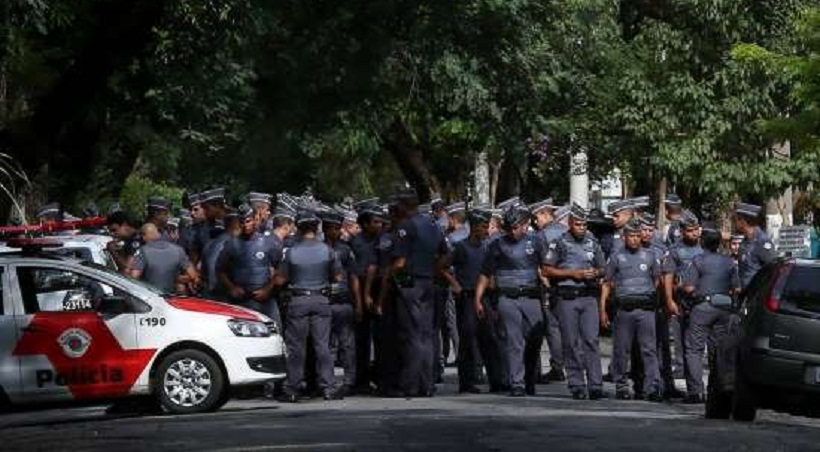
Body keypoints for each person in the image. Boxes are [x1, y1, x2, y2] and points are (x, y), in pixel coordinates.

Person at [475, 204, 547, 397]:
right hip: (507, 297)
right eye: (510, 228)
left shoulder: (536, 242)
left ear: (525, 225)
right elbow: (484, 273)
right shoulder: (496, 245)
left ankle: (530, 379)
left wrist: (546, 282)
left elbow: (545, 267)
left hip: (531, 297)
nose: (513, 231)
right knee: (514, 341)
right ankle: (517, 383)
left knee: (535, 338)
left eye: (517, 227)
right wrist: (478, 299)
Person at [275, 209, 344, 402]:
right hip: (321, 300)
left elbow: (280, 279)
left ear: (297, 228)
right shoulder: (327, 250)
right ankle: (328, 387)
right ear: (317, 227)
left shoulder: (291, 252)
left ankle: (292, 389)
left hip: (298, 300)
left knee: (297, 348)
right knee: (322, 346)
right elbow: (338, 277)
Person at [385, 188, 448, 397]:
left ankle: (411, 384)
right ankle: (427, 383)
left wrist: (387, 273)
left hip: (410, 285)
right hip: (428, 281)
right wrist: (433, 270)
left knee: (411, 335)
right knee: (426, 334)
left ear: (403, 205)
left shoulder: (406, 226)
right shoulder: (433, 225)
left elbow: (400, 262)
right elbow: (444, 256)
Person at [544, 204, 607, 400]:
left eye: (584, 224)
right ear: (570, 224)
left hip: (588, 296)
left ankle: (596, 384)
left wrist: (595, 273)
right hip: (567, 297)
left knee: (591, 340)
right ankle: (577, 384)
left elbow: (603, 267)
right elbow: (547, 269)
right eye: (578, 224)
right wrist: (573, 273)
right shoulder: (559, 243)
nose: (581, 227)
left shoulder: (592, 242)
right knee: (571, 342)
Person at [600, 219, 663, 401]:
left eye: (637, 236)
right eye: (631, 236)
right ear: (624, 237)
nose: (635, 239)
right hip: (624, 312)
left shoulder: (650, 256)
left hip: (645, 311)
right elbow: (606, 284)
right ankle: (621, 386)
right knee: (621, 350)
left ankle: (652, 388)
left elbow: (657, 281)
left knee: (649, 350)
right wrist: (602, 309)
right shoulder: (616, 257)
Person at [445, 208, 505, 393]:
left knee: (490, 340)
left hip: (486, 297)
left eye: (487, 226)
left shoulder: (488, 246)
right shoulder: (461, 247)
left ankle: (496, 380)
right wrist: (454, 283)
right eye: (483, 226)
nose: (486, 230)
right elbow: (441, 266)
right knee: (467, 340)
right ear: (473, 228)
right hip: (467, 297)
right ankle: (466, 382)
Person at [680, 222, 740, 404]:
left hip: (702, 308)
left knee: (694, 349)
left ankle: (696, 392)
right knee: (719, 351)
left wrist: (682, 289)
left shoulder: (698, 261)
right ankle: (718, 390)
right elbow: (737, 288)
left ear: (703, 242)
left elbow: (689, 288)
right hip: (724, 309)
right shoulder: (729, 261)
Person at [217, 204, 282, 323]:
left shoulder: (268, 243)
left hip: (265, 301)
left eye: (248, 221)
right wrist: (231, 288)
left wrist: (268, 289)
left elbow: (280, 270)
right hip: (241, 302)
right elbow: (220, 270)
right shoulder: (232, 244)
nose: (245, 225)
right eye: (242, 222)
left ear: (255, 220)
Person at [321, 209, 361, 396]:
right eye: (333, 228)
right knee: (327, 346)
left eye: (339, 228)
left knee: (347, 344)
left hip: (344, 302)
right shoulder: (319, 249)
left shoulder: (345, 249)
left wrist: (358, 302)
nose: (337, 232)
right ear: (325, 229)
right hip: (324, 302)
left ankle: (349, 381)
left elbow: (353, 277)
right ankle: (327, 382)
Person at [662, 209, 702, 389]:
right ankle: (683, 373)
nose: (694, 233)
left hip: (701, 303)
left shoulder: (704, 248)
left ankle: (695, 378)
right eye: (690, 230)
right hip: (680, 302)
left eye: (696, 229)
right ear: (683, 231)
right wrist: (669, 300)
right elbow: (668, 276)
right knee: (680, 341)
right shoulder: (675, 250)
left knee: (695, 343)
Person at [530, 198, 566, 383]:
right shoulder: (565, 231)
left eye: (537, 217)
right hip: (568, 286)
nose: (535, 222)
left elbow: (541, 266)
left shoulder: (541, 236)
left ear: (545, 214)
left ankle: (557, 367)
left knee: (552, 328)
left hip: (550, 287)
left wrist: (545, 284)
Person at [349, 200, 384, 393]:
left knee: (381, 338)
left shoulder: (383, 239)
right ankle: (361, 380)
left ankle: (380, 377)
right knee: (361, 339)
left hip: (380, 289)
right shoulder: (356, 243)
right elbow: (355, 273)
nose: (379, 225)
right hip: (361, 289)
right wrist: (360, 302)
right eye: (375, 222)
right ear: (364, 224)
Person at [131, 223, 199, 293]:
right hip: (169, 298)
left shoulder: (143, 251)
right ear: (158, 234)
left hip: (149, 297)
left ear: (144, 237)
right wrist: (173, 278)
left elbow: (134, 277)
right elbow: (192, 275)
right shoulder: (178, 250)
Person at [734, 202, 776, 290]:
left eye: (736, 220)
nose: (735, 223)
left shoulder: (762, 242)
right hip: (745, 295)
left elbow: (773, 271)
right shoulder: (745, 241)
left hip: (757, 296)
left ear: (743, 221)